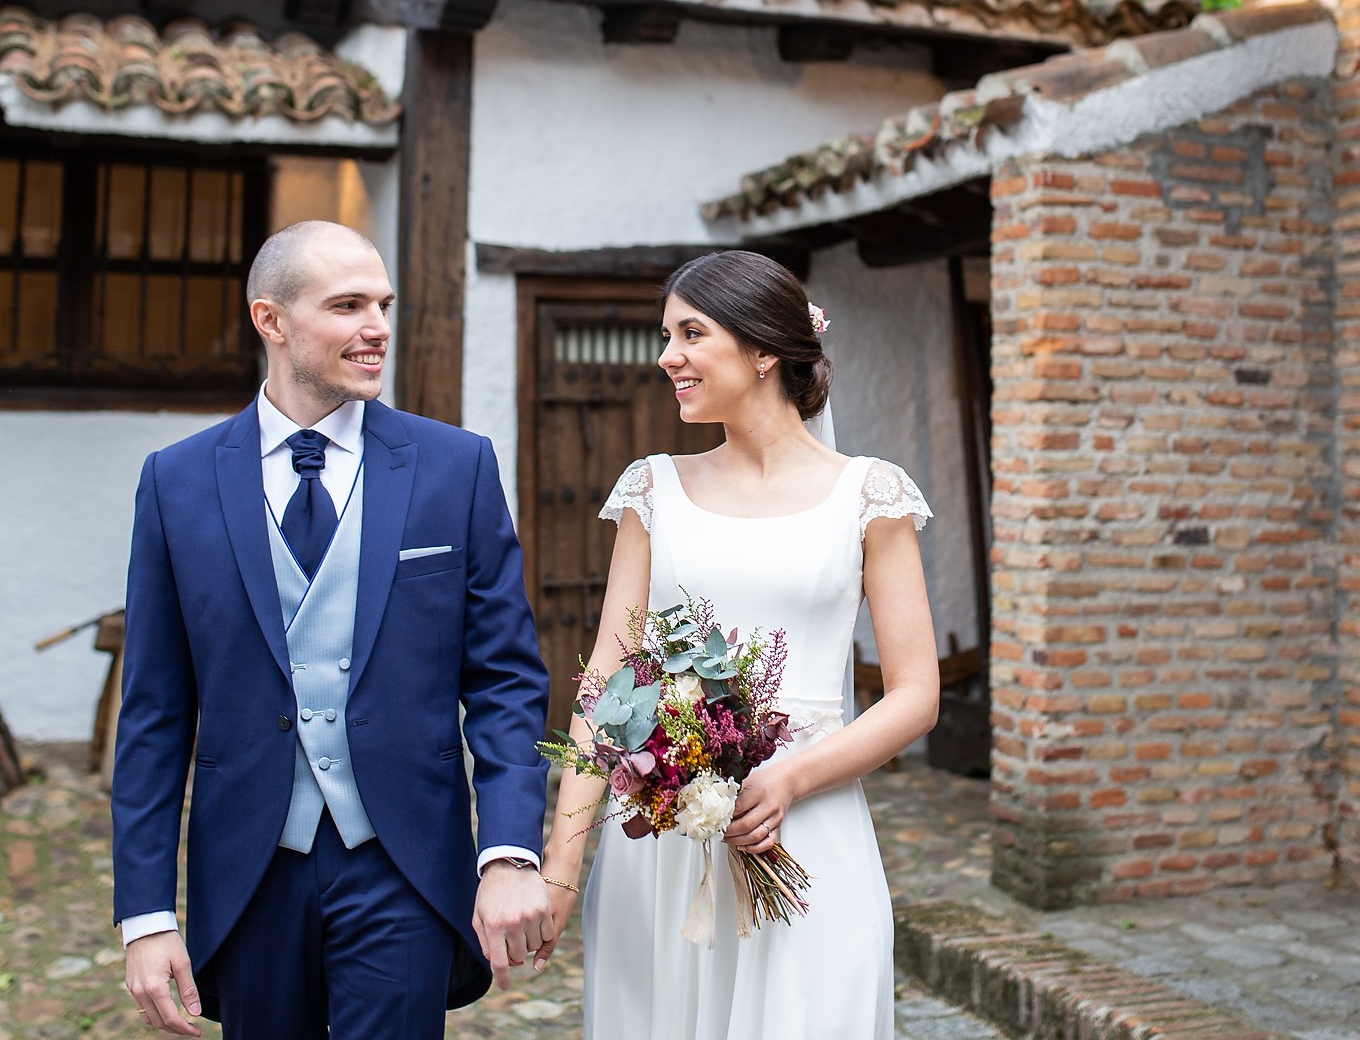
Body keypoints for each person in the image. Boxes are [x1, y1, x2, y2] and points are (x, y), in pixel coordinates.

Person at [112, 221, 553, 1038]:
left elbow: (505, 681)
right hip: (249, 871)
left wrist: (508, 850)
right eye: (348, 306)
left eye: (383, 304)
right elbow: (153, 714)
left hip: (404, 864)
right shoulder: (176, 482)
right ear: (271, 319)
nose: (377, 327)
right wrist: (145, 913)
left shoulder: (455, 467)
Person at [537, 249, 941, 1040]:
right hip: (661, 842)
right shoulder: (652, 490)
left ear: (763, 350)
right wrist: (562, 862)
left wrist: (789, 777)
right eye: (666, 335)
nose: (668, 356)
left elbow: (916, 693)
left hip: (809, 823)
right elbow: (606, 682)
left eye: (691, 333)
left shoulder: (870, 495)